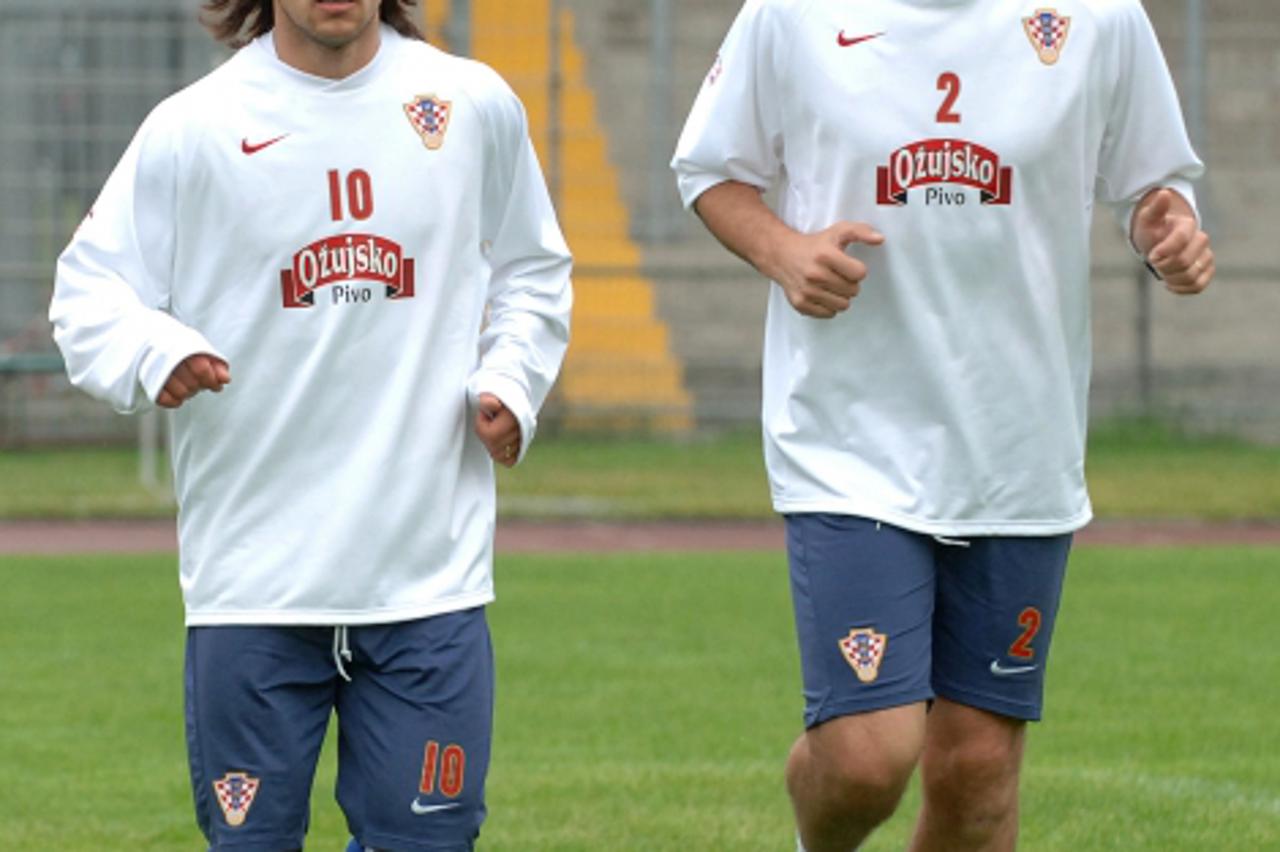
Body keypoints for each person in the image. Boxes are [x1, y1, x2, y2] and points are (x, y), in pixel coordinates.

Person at [672, 1, 1212, 849]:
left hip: (1016, 448)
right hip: (850, 438)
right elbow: (710, 168)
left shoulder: (1100, 15)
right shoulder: (790, 13)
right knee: (864, 761)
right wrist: (784, 252)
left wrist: (1166, 227)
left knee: (977, 772)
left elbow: (1151, 181)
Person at [49, 1, 572, 849]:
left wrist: (510, 380)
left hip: (425, 579)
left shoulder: (470, 104)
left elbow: (534, 270)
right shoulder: (194, 128)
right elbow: (87, 296)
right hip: (254, 585)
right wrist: (155, 350)